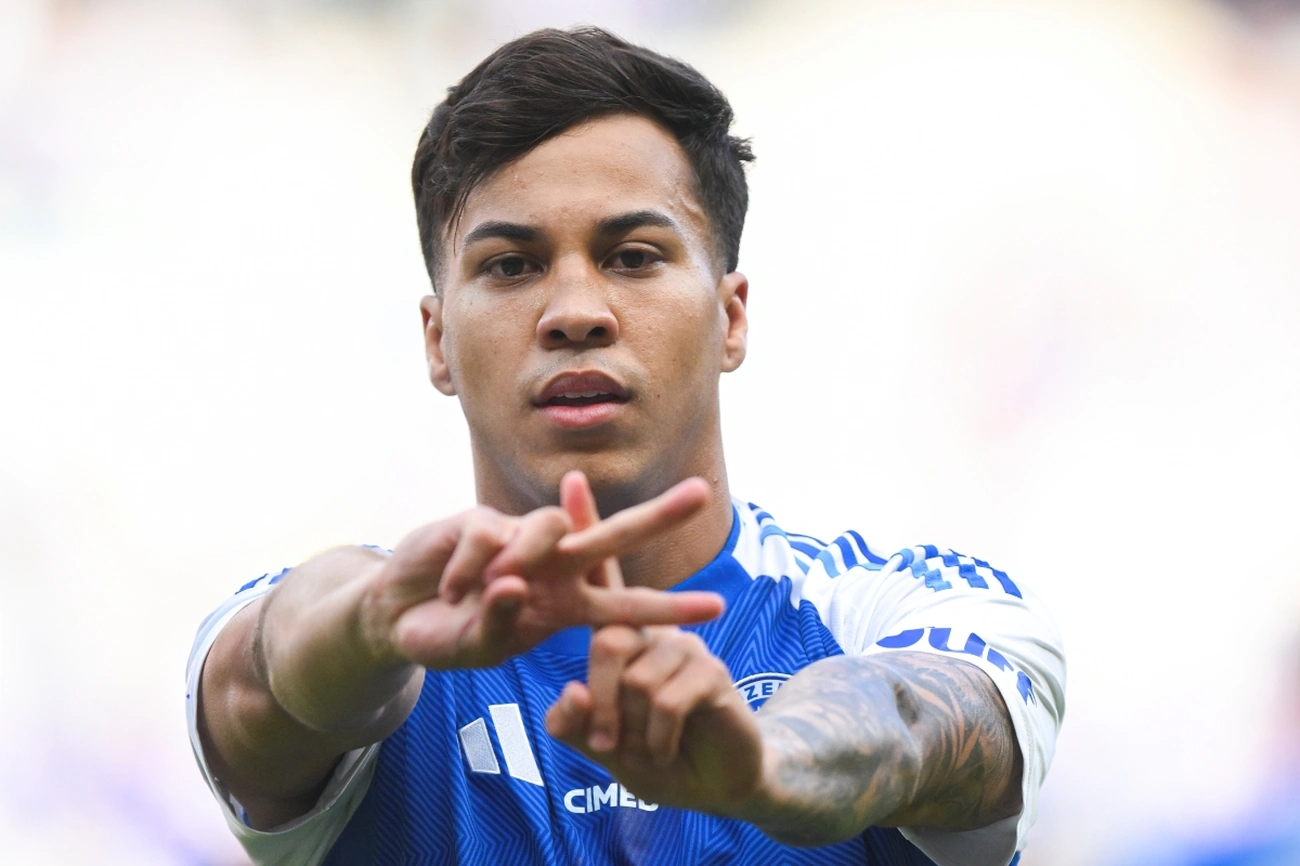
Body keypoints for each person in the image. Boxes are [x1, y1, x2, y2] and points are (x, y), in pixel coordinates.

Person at [186, 26, 1065, 866]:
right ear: (436, 341)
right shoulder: (378, 638)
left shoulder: (893, 608)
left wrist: (774, 759)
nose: (575, 313)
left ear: (730, 317)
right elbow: (273, 666)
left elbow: (911, 717)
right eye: (511, 265)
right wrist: (376, 619)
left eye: (634, 256)